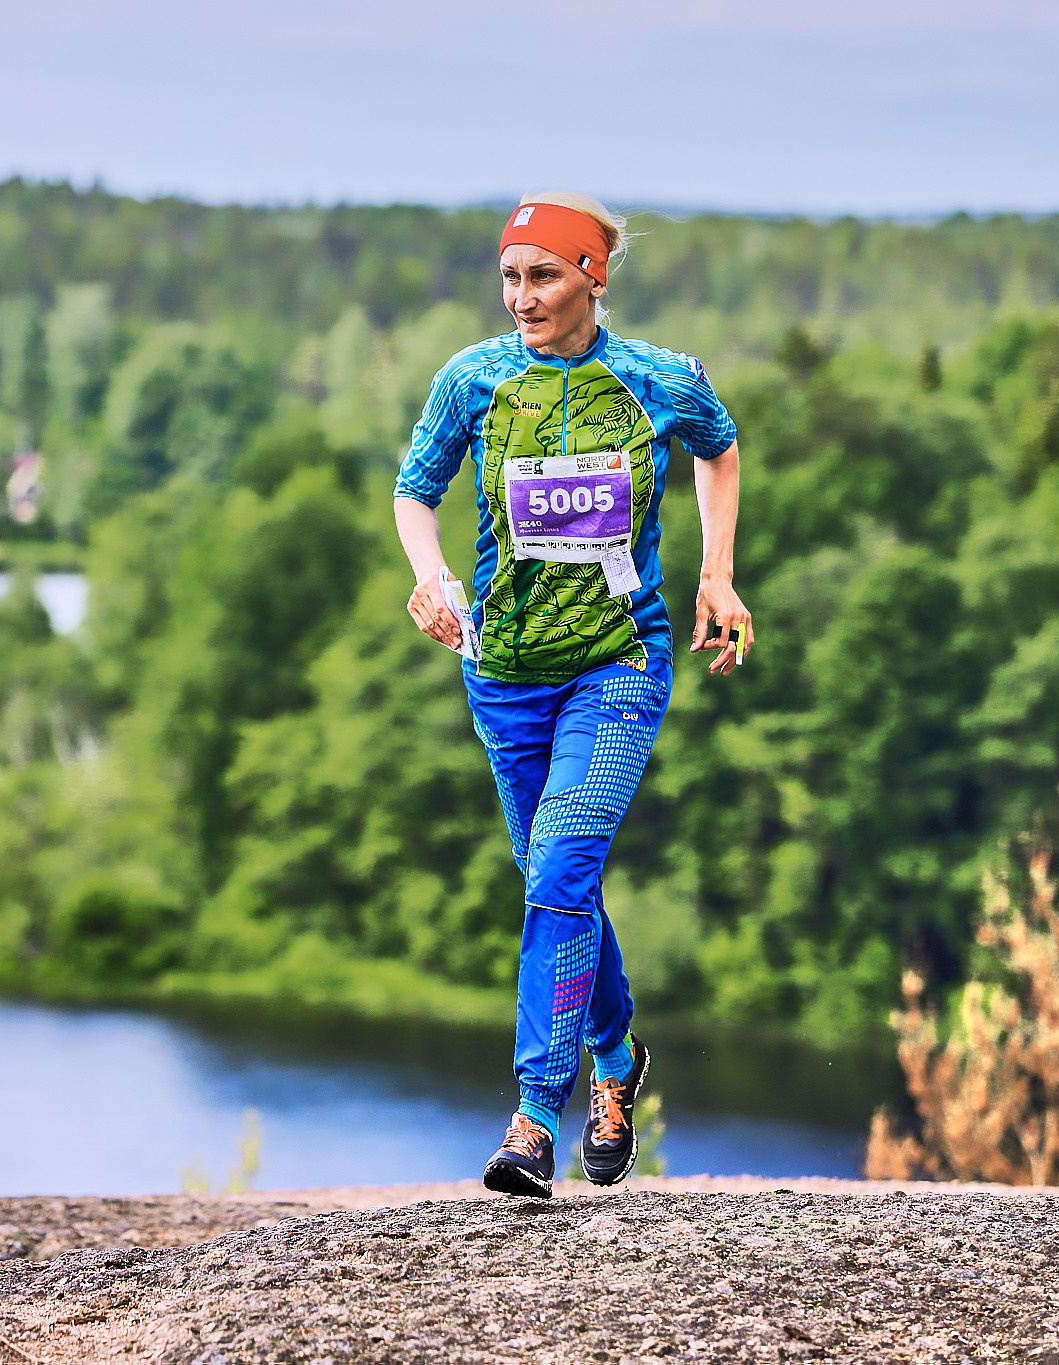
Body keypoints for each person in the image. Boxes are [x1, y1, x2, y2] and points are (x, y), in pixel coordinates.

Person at [392, 192, 751, 1195]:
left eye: (542, 276)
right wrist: (428, 578)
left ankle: (529, 1121)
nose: (522, 297)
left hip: (616, 666)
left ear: (591, 275)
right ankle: (618, 1059)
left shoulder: (656, 381)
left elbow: (717, 448)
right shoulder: (474, 380)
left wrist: (714, 572)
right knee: (556, 882)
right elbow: (411, 491)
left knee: (558, 867)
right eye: (509, 277)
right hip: (501, 674)